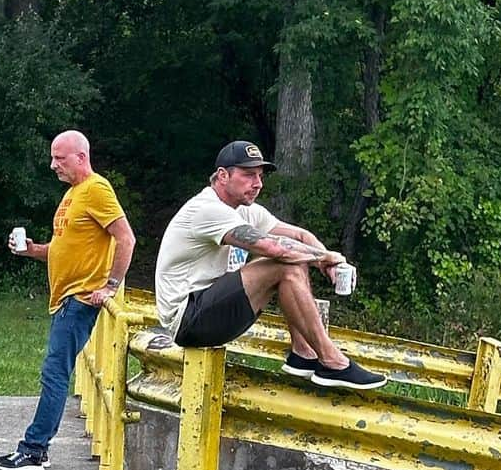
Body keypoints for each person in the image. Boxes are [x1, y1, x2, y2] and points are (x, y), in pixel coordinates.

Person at [155, 140, 386, 390]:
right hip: (188, 321)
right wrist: (323, 258)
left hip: (211, 309)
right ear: (223, 175)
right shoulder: (207, 209)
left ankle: (303, 354)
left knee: (293, 257)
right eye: (248, 175)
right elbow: (275, 249)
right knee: (284, 262)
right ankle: (333, 362)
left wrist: (327, 258)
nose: (258, 184)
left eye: (260, 176)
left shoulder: (244, 210)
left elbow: (300, 237)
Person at [0, 130, 136, 470]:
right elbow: (62, 250)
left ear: (81, 157)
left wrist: (111, 286)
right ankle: (35, 448)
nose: (52, 164)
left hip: (80, 298)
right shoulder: (73, 195)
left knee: (54, 373)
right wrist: (31, 250)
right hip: (64, 300)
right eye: (53, 157)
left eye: (60, 158)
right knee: (55, 372)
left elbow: (126, 238)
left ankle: (34, 450)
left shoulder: (97, 189)